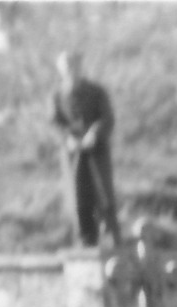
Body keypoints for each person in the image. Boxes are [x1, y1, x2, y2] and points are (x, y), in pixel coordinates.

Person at [52, 53, 118, 246]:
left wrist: (94, 133)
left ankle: (112, 239)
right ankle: (85, 241)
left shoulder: (96, 91)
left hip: (96, 151)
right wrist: (67, 138)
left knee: (103, 194)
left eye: (74, 66)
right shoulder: (57, 95)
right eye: (67, 68)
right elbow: (54, 123)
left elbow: (107, 117)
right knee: (78, 198)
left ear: (80, 67)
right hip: (73, 154)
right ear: (61, 70)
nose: (71, 71)